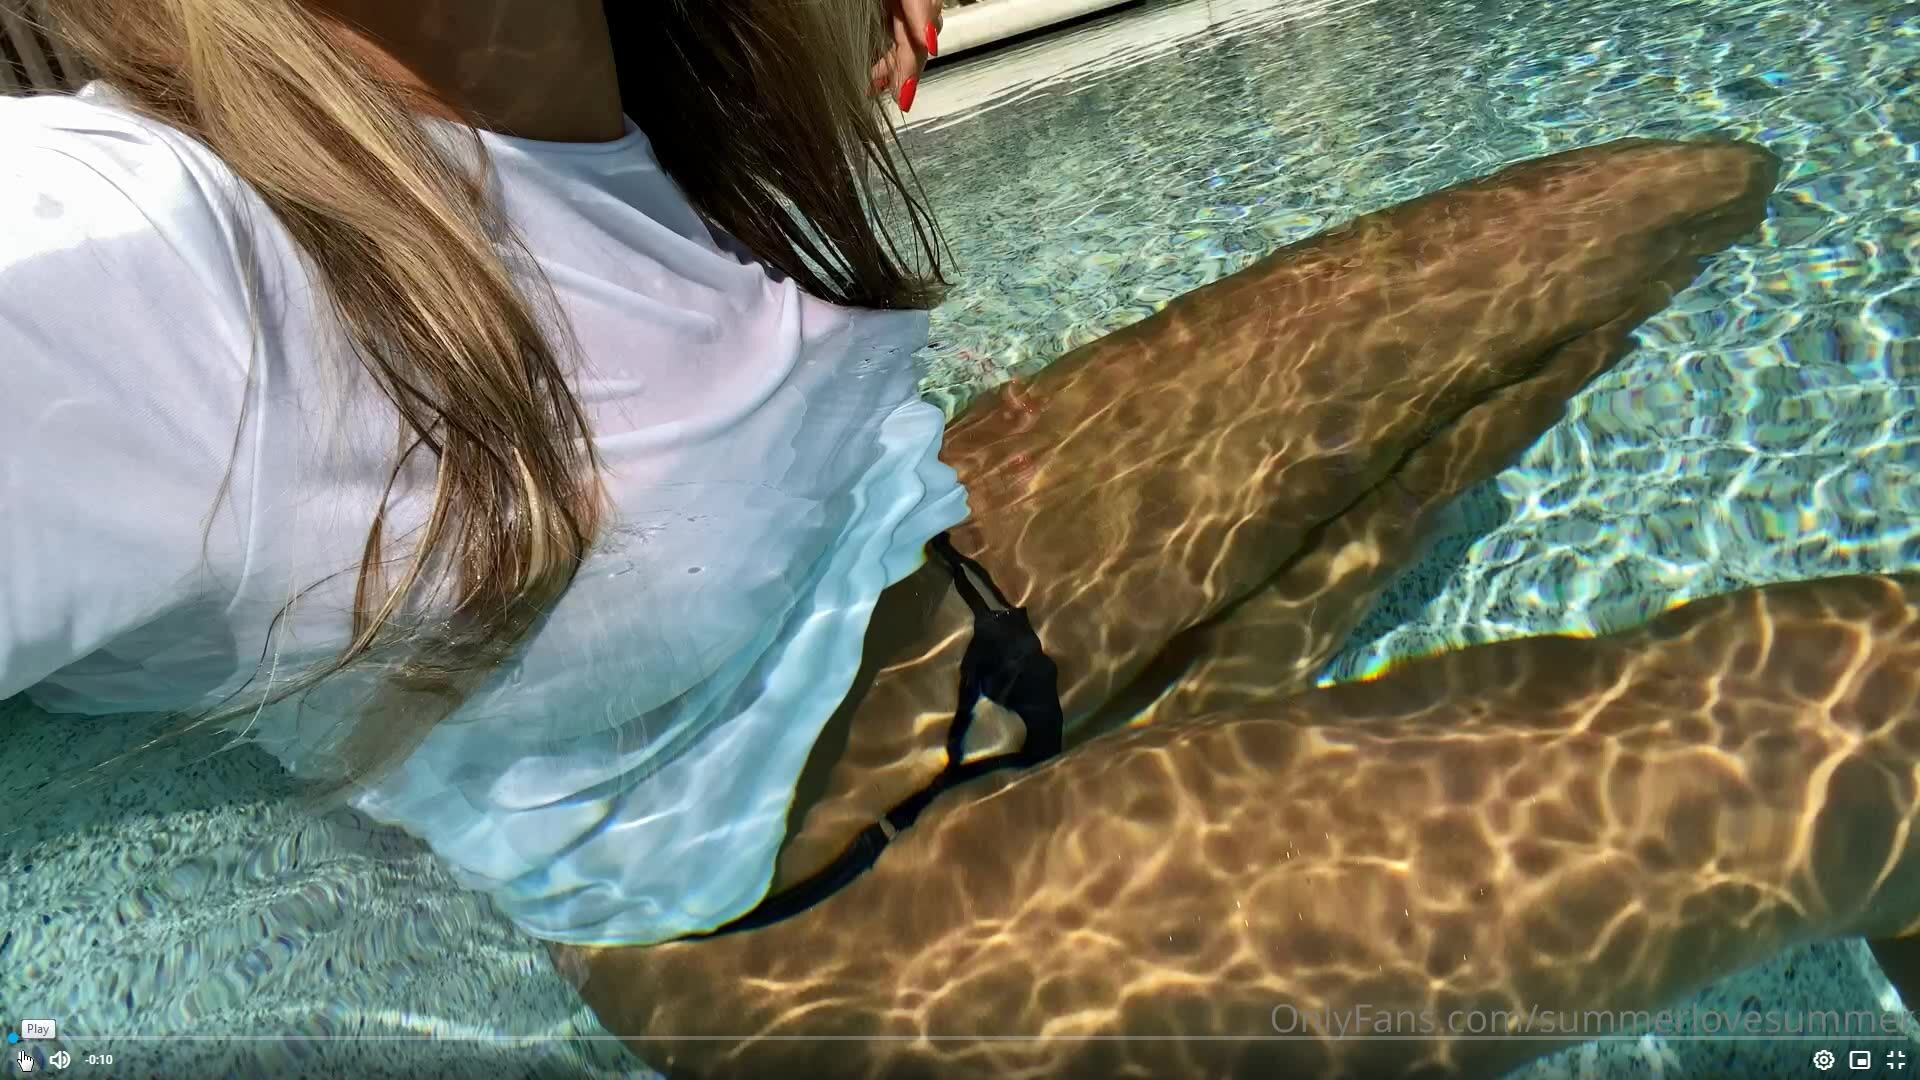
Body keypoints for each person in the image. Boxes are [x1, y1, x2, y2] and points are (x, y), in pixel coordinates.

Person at [4, 1, 1915, 1076]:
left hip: (947, 589)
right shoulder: (137, 257)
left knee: (1661, 192)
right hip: (818, 927)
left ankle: (1188, 762)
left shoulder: (652, 53)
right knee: (1888, 709)